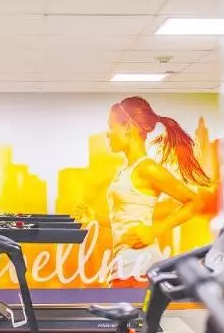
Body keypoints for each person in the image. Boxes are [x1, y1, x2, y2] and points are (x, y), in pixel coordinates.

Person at [76, 96, 210, 288]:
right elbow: (125, 222)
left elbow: (194, 202)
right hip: (125, 266)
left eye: (111, 127)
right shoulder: (125, 170)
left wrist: (155, 229)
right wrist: (96, 219)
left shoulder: (147, 168)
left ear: (128, 127)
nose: (108, 134)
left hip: (139, 267)